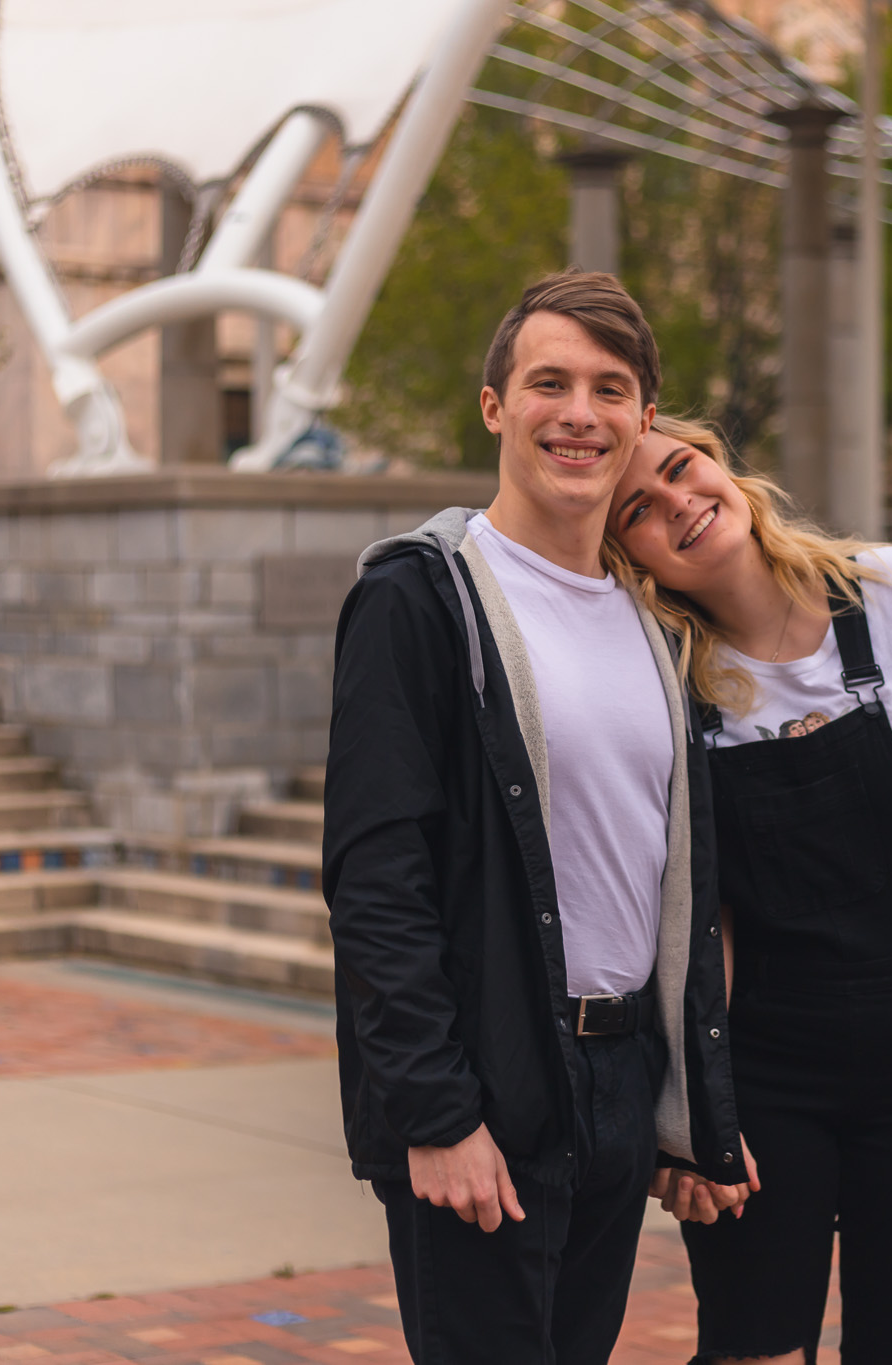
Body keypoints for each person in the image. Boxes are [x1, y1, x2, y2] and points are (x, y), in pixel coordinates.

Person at [323, 274, 744, 1365]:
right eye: (547, 382)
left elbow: (675, 880)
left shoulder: (653, 625)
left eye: (610, 389)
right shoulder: (419, 599)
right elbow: (376, 880)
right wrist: (434, 1114)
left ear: (643, 418)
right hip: (486, 1082)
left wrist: (680, 1108)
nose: (578, 412)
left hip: (615, 1084)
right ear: (494, 407)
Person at [603, 415, 892, 1365]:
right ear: (626, 553)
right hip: (765, 1067)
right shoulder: (662, 681)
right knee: (753, 1348)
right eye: (639, 509)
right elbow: (696, 913)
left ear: (722, 465)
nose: (679, 503)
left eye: (683, 468)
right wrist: (693, 1107)